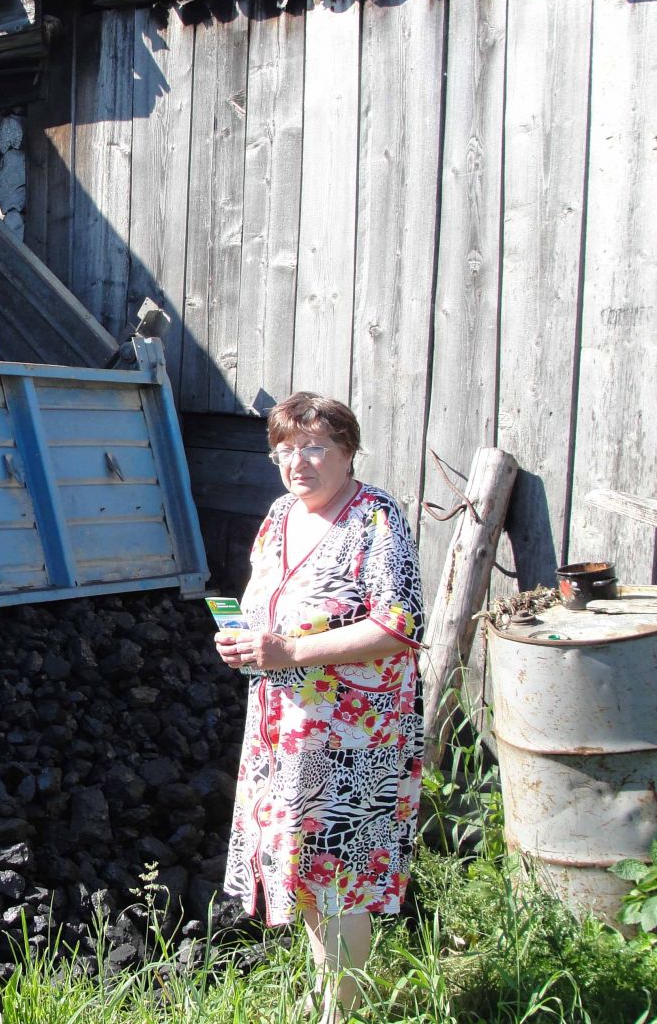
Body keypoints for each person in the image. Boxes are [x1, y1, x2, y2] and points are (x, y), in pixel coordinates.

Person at [213, 392, 423, 1023]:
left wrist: (290, 648)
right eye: (284, 450)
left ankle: (344, 1013)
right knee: (304, 870)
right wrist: (247, 638)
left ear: (347, 451)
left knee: (336, 877)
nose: (297, 462)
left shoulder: (375, 518)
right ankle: (329, 996)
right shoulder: (279, 515)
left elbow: (400, 625)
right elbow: (268, 603)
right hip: (282, 727)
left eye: (313, 447)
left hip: (350, 737)